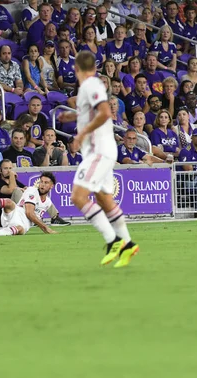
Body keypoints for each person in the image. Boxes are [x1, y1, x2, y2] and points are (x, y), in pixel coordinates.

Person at [58, 50, 138, 267]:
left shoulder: (90, 85)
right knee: (104, 199)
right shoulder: (89, 88)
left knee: (78, 196)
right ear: (94, 67)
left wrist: (81, 134)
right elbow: (93, 112)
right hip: (103, 150)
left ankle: (113, 241)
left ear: (76, 69)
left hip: (98, 151)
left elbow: (104, 112)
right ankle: (129, 244)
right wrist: (73, 116)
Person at [0, 171, 58, 236]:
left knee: (20, 229)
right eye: (41, 182)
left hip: (25, 223)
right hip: (16, 212)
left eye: (46, 183)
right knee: (9, 202)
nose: (42, 184)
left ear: (51, 186)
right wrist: (45, 227)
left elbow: (53, 215)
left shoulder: (48, 202)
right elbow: (29, 213)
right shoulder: (32, 191)